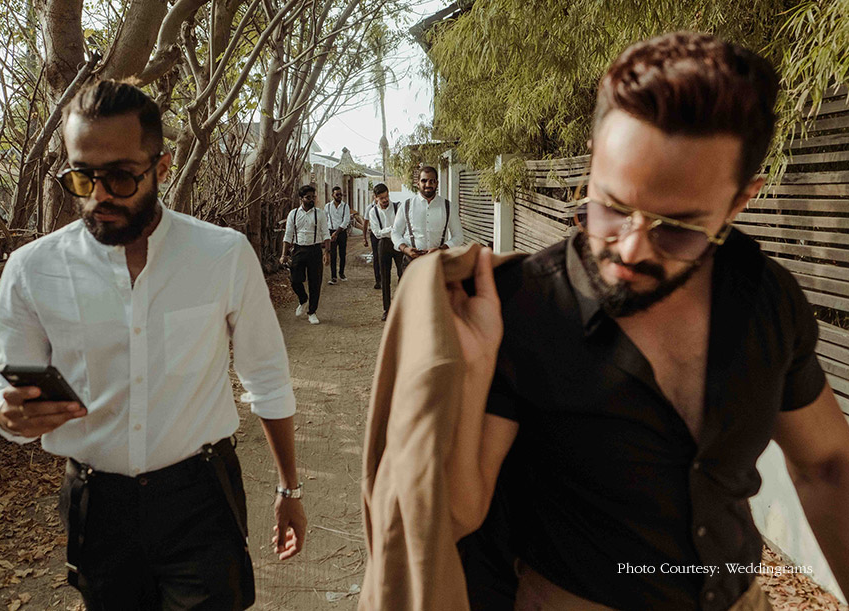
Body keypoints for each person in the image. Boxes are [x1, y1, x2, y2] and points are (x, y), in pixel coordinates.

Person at [447, 32, 849, 610]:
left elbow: (828, 466)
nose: (631, 248)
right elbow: (458, 514)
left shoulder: (767, 300)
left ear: (740, 202)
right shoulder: (526, 308)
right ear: (593, 159)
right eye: (610, 207)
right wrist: (470, 365)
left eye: (677, 229)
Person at [0, 79, 307, 610]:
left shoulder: (222, 256)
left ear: (163, 167)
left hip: (201, 499)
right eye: (82, 177)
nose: (100, 195)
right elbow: (3, 387)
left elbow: (266, 377)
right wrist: (8, 413)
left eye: (120, 176)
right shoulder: (32, 270)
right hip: (97, 509)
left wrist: (289, 488)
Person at [391, 166, 464, 271]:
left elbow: (459, 236)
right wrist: (405, 249)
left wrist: (441, 249)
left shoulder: (448, 206)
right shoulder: (406, 205)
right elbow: (395, 232)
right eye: (424, 181)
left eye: (432, 181)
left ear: (437, 183)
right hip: (411, 263)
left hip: (438, 262)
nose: (428, 185)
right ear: (418, 184)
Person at [280, 185, 331, 325]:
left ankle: (312, 312)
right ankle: (303, 299)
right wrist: (284, 255)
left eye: (313, 197)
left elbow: (326, 234)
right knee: (295, 279)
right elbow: (288, 235)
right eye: (308, 197)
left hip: (314, 250)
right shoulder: (294, 214)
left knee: (315, 282)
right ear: (301, 199)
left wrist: (327, 252)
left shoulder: (319, 214)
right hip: (298, 249)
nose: (311, 200)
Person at [364, 184, 403, 321]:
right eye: (381, 198)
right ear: (375, 198)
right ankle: (387, 309)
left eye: (386, 196)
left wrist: (390, 230)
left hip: (399, 243)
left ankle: (402, 307)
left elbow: (402, 227)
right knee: (385, 278)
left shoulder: (398, 207)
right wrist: (393, 228)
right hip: (384, 244)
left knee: (403, 274)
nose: (385, 200)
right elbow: (377, 233)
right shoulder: (373, 212)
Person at [325, 185, 351, 284]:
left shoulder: (345, 206)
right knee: (333, 254)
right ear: (332, 195)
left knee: (342, 254)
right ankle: (333, 276)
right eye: (337, 194)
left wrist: (337, 232)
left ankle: (341, 273)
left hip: (341, 232)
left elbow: (346, 220)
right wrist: (327, 234)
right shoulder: (327, 206)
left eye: (341, 194)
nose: (339, 196)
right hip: (331, 232)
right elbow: (325, 220)